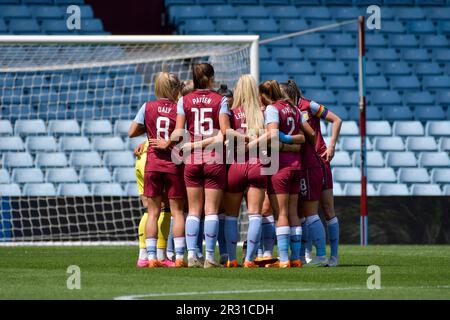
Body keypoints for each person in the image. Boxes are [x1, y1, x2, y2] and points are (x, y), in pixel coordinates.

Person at [170, 63, 230, 268]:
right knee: (212, 210)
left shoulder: (183, 100)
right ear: (211, 78)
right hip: (214, 158)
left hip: (192, 160)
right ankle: (211, 257)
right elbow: (224, 133)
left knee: (194, 210)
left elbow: (178, 133)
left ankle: (193, 255)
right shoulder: (220, 100)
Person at [130, 72, 187, 268]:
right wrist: (168, 142)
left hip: (152, 164)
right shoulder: (179, 107)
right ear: (174, 88)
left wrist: (148, 130)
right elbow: (179, 134)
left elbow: (131, 132)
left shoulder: (147, 107)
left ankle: (151, 257)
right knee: (178, 213)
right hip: (173, 163)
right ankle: (178, 257)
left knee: (152, 213)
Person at [293, 81, 342, 267]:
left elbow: (337, 119)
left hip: (320, 162)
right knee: (303, 211)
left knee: (327, 209)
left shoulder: (309, 105)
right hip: (303, 164)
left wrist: (332, 145)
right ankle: (307, 254)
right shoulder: (287, 109)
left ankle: (334, 256)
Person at [221, 74, 266, 268]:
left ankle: (231, 258)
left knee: (231, 216)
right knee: (255, 214)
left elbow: (224, 139)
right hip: (258, 164)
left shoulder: (230, 112)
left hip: (236, 165)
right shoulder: (263, 113)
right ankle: (249, 259)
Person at [259, 80, 304, 268]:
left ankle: (284, 259)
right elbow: (301, 138)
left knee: (282, 213)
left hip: (280, 165)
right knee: (293, 213)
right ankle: (296, 258)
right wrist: (291, 144)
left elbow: (273, 137)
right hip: (296, 165)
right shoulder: (295, 110)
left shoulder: (272, 109)